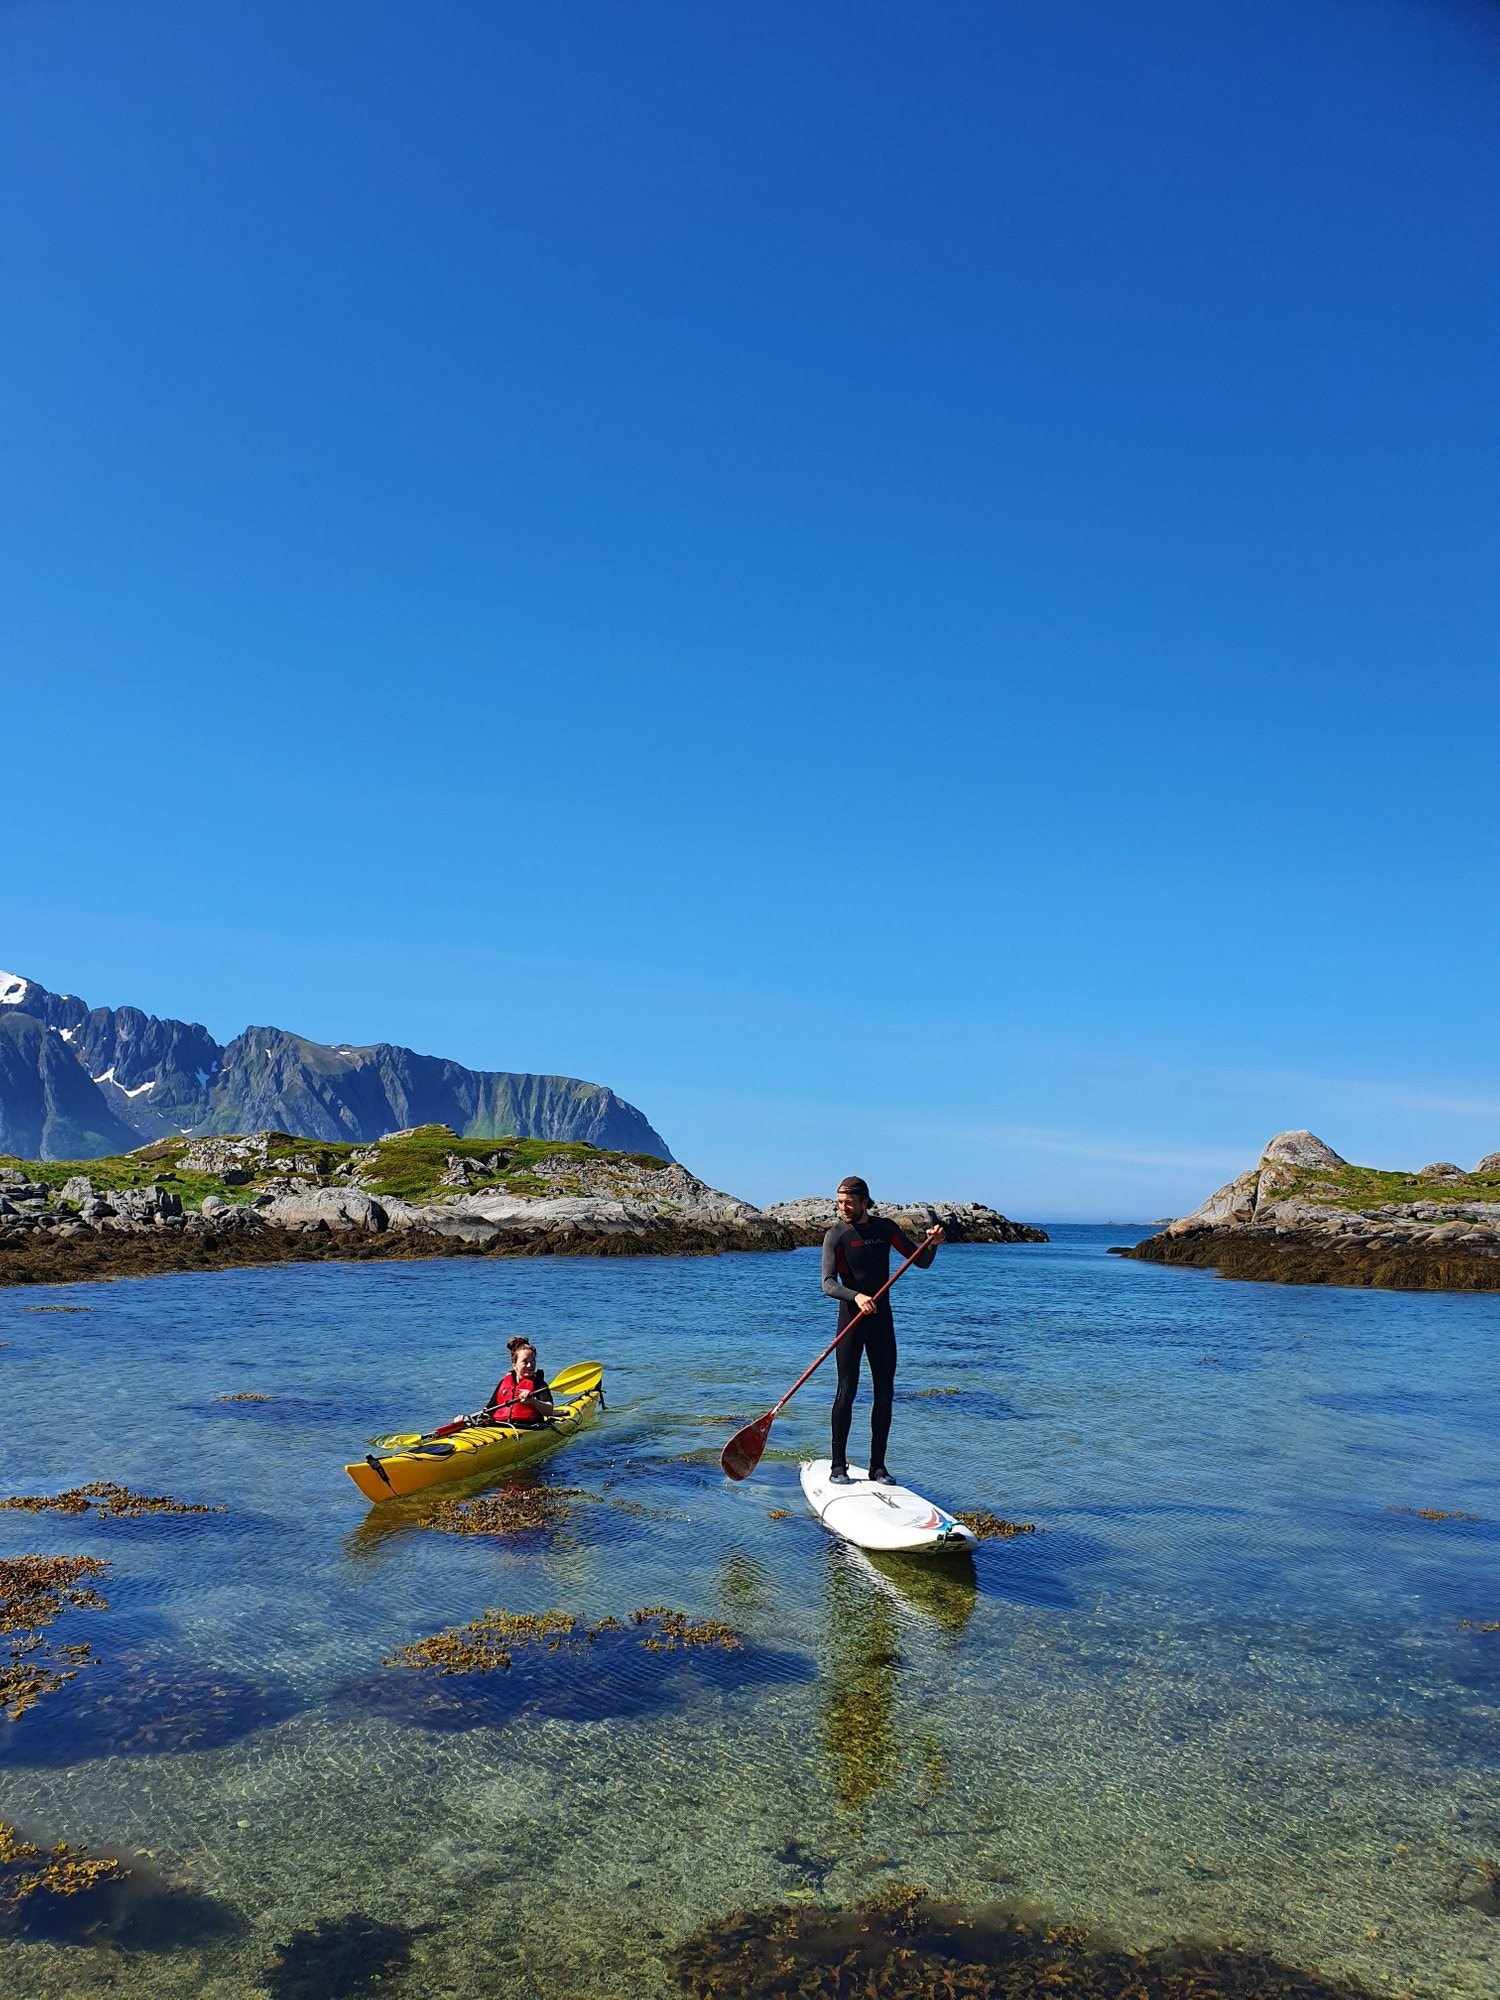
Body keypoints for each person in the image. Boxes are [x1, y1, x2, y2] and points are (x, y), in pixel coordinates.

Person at [821, 1176, 943, 1485]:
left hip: (881, 1323)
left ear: (864, 1202)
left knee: (884, 1394)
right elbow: (828, 1284)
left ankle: (878, 1468)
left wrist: (933, 1244)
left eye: (848, 1202)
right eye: (839, 1202)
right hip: (850, 1322)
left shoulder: (885, 1229)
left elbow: (922, 1261)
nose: (843, 1207)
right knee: (846, 1392)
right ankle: (838, 1466)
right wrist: (856, 1296)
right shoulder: (836, 1235)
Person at [440, 1337, 554, 1433]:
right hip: (498, 1426)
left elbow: (549, 1411)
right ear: (514, 1365)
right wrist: (466, 1420)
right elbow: (488, 1409)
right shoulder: (505, 1381)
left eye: (533, 1361)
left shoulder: (539, 1383)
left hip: (528, 1428)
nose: (530, 1365)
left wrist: (533, 1401)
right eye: (525, 1361)